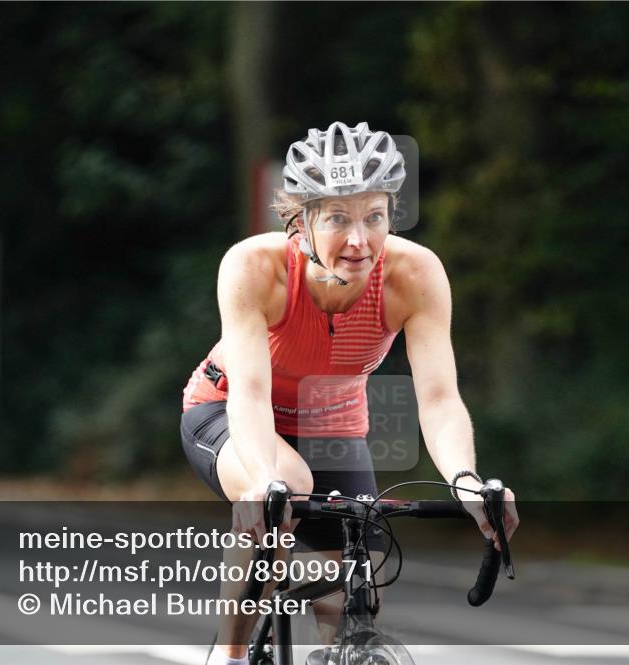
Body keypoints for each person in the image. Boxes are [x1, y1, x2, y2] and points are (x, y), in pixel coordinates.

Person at [181, 121, 519, 665]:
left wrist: (466, 480)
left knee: (359, 590)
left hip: (331, 424)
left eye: (374, 217)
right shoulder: (254, 267)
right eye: (338, 218)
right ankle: (231, 653)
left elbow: (438, 398)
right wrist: (263, 480)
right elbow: (251, 391)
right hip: (227, 410)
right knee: (285, 490)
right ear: (301, 221)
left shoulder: (415, 275)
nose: (359, 240)